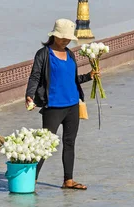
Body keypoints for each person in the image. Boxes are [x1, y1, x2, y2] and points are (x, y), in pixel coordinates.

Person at [25, 19, 98, 190]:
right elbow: (35, 77)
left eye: (68, 38)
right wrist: (29, 95)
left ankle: (68, 180)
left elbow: (72, 79)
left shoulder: (70, 54)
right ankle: (31, 180)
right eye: (62, 37)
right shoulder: (43, 54)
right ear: (54, 36)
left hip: (73, 104)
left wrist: (89, 76)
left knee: (70, 142)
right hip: (53, 107)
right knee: (45, 144)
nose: (66, 40)